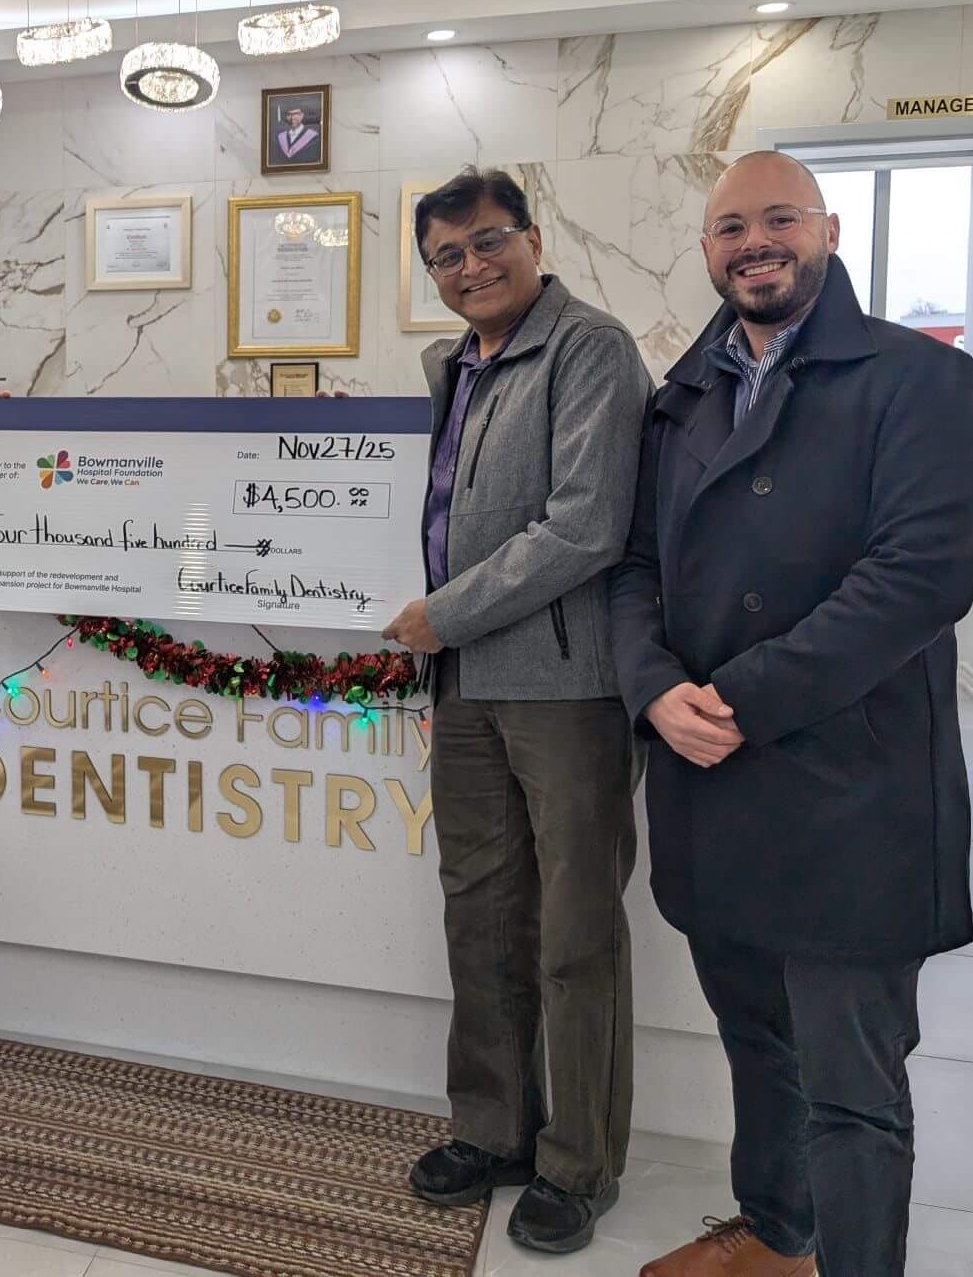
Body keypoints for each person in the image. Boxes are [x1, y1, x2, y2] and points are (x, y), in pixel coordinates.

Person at [610, 151, 973, 1277]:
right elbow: (633, 567)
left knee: (853, 1096)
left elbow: (919, 577)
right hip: (707, 781)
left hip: (851, 794)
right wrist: (650, 688)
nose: (755, 242)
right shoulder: (681, 394)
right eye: (731, 227)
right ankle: (776, 1237)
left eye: (779, 219)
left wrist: (736, 697)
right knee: (756, 1046)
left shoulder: (921, 382)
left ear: (825, 230)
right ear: (707, 250)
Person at [384, 168, 652, 1255]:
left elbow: (585, 526)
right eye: (446, 256)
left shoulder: (589, 348)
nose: (470, 267)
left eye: (488, 242)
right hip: (464, 689)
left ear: (532, 238)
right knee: (479, 914)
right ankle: (492, 1130)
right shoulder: (450, 365)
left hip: (565, 688)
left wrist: (441, 614)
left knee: (575, 931)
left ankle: (578, 1166)